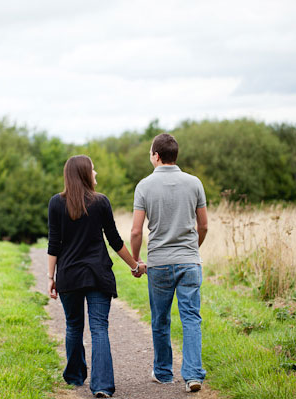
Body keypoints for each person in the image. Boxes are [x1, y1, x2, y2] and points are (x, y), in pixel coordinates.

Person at [47, 155, 145, 399]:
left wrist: (51, 276)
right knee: (99, 328)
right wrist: (135, 265)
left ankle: (74, 376)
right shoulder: (101, 202)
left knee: (73, 326)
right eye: (93, 169)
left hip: (69, 275)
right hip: (97, 275)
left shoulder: (56, 203)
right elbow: (114, 240)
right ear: (83, 174)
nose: (96, 173)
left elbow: (54, 243)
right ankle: (102, 386)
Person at [130, 133, 208, 393]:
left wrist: (136, 260)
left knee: (160, 319)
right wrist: (191, 250)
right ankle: (193, 375)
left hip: (159, 264)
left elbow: (136, 231)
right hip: (189, 262)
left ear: (156, 156)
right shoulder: (194, 183)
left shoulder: (144, 186)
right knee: (191, 319)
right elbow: (204, 225)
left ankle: (163, 373)